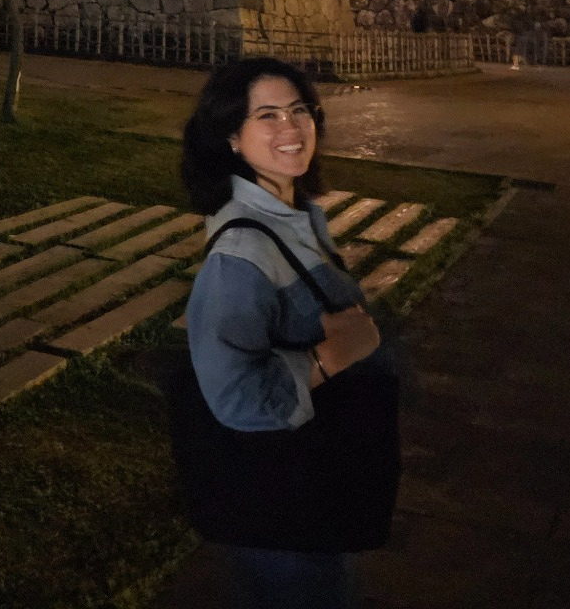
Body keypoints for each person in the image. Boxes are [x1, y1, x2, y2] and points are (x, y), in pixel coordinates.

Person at [169, 57, 400, 609]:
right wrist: (330, 357)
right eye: (267, 115)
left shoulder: (296, 215)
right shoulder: (240, 256)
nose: (291, 127)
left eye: (299, 110)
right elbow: (234, 394)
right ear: (232, 136)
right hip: (283, 502)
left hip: (315, 483)